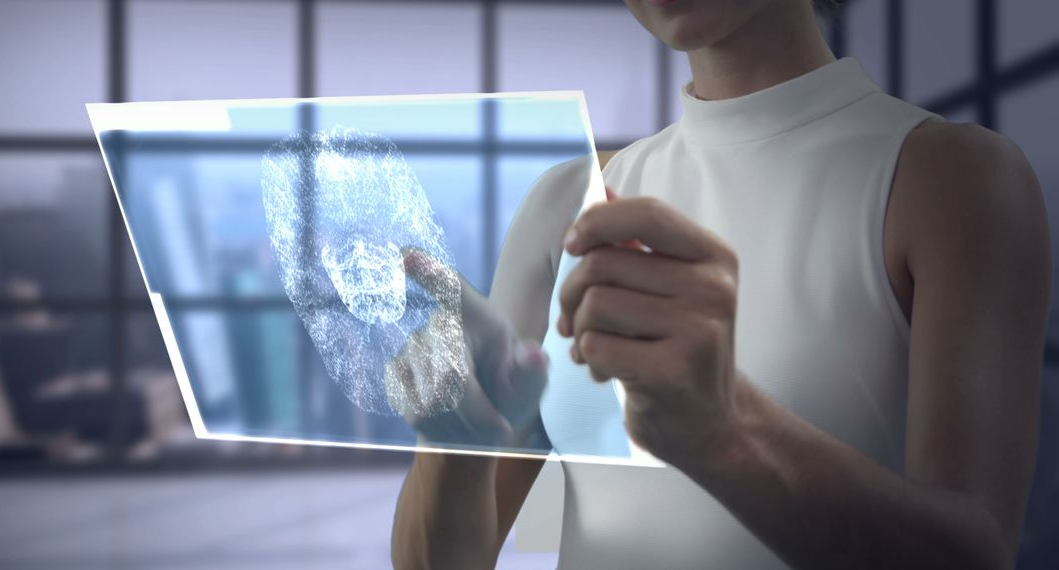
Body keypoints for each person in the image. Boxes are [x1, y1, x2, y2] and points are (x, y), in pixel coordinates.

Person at [390, 0, 1050, 567]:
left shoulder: (953, 181)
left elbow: (975, 554)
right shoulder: (569, 199)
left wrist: (722, 432)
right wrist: (452, 441)